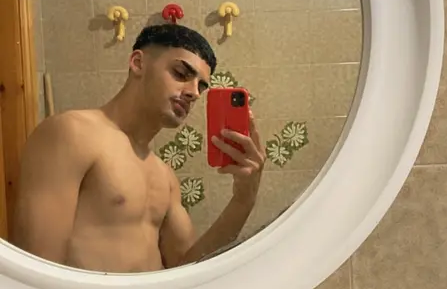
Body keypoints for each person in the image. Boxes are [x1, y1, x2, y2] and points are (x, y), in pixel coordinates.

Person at [12, 24, 265, 273]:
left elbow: (187, 271)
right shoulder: (72, 133)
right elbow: (38, 272)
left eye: (200, 86)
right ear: (138, 63)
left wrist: (243, 200)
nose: (194, 93)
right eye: (180, 73)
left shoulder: (165, 176)